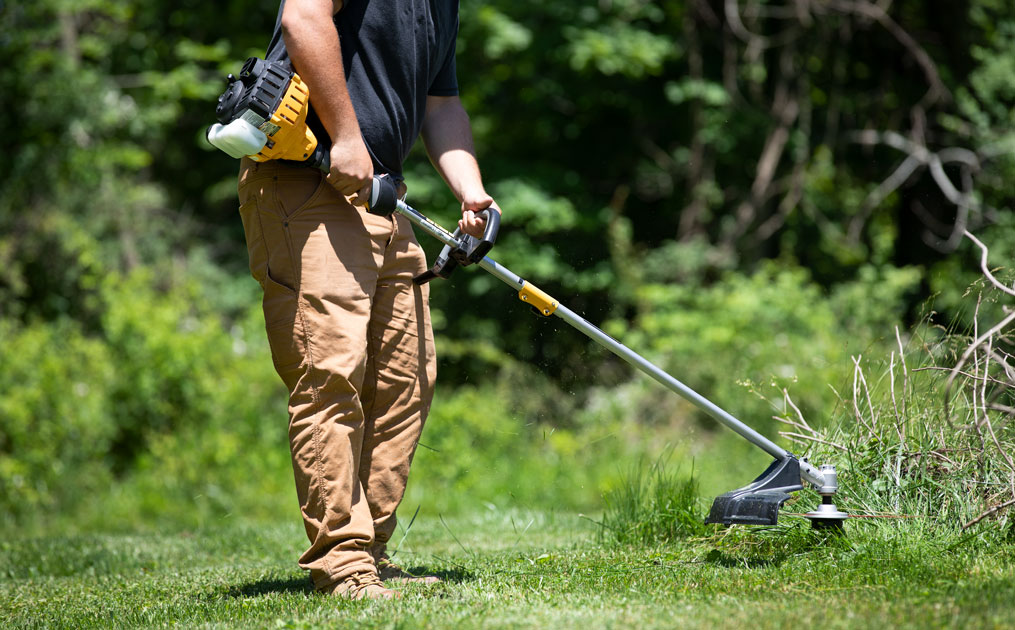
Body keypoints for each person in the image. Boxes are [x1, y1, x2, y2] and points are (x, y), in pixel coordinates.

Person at [236, 0, 499, 600]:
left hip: (378, 194)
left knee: (403, 381)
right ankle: (343, 560)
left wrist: (473, 193)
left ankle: (371, 551)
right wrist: (349, 138)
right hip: (306, 178)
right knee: (330, 373)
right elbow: (303, 17)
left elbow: (442, 103)